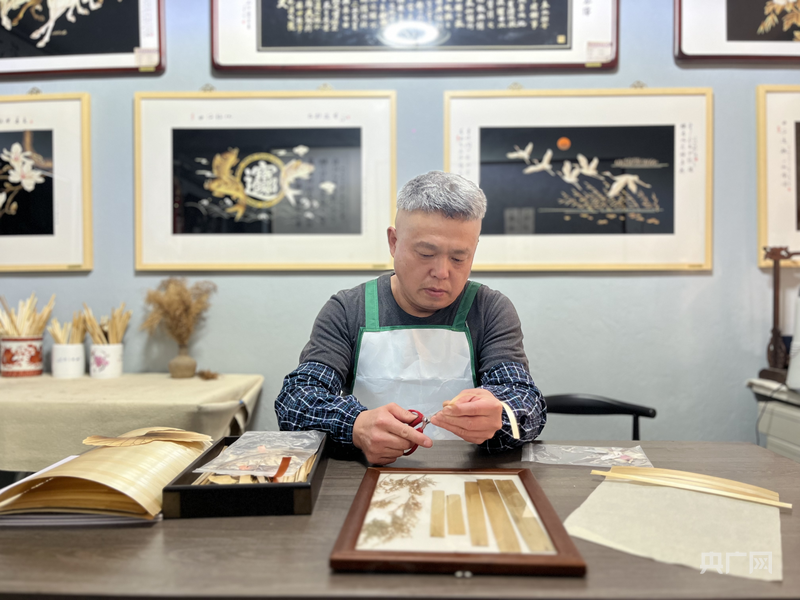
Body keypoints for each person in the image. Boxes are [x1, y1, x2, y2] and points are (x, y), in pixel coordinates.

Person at [275, 171, 546, 464]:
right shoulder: (348, 309)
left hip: (465, 475)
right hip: (370, 475)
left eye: (459, 258)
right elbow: (296, 400)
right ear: (394, 242)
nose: (441, 272)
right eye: (426, 253)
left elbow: (526, 402)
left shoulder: (489, 310)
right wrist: (356, 425)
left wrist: (501, 416)